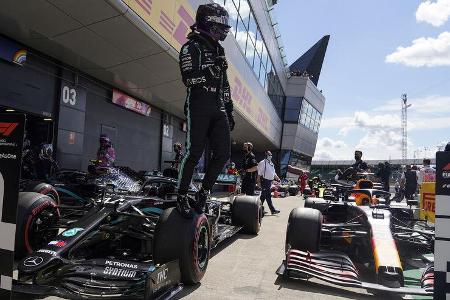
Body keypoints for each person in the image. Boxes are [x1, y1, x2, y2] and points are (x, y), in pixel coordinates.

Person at [176, 3, 234, 218]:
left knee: (223, 154)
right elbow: (189, 80)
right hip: (198, 104)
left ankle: (203, 193)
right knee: (194, 151)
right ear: (209, 23)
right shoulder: (191, 47)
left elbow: (225, 84)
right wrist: (209, 71)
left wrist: (229, 109)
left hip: (218, 106)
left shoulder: (219, 50)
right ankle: (181, 194)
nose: (225, 29)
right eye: (222, 25)